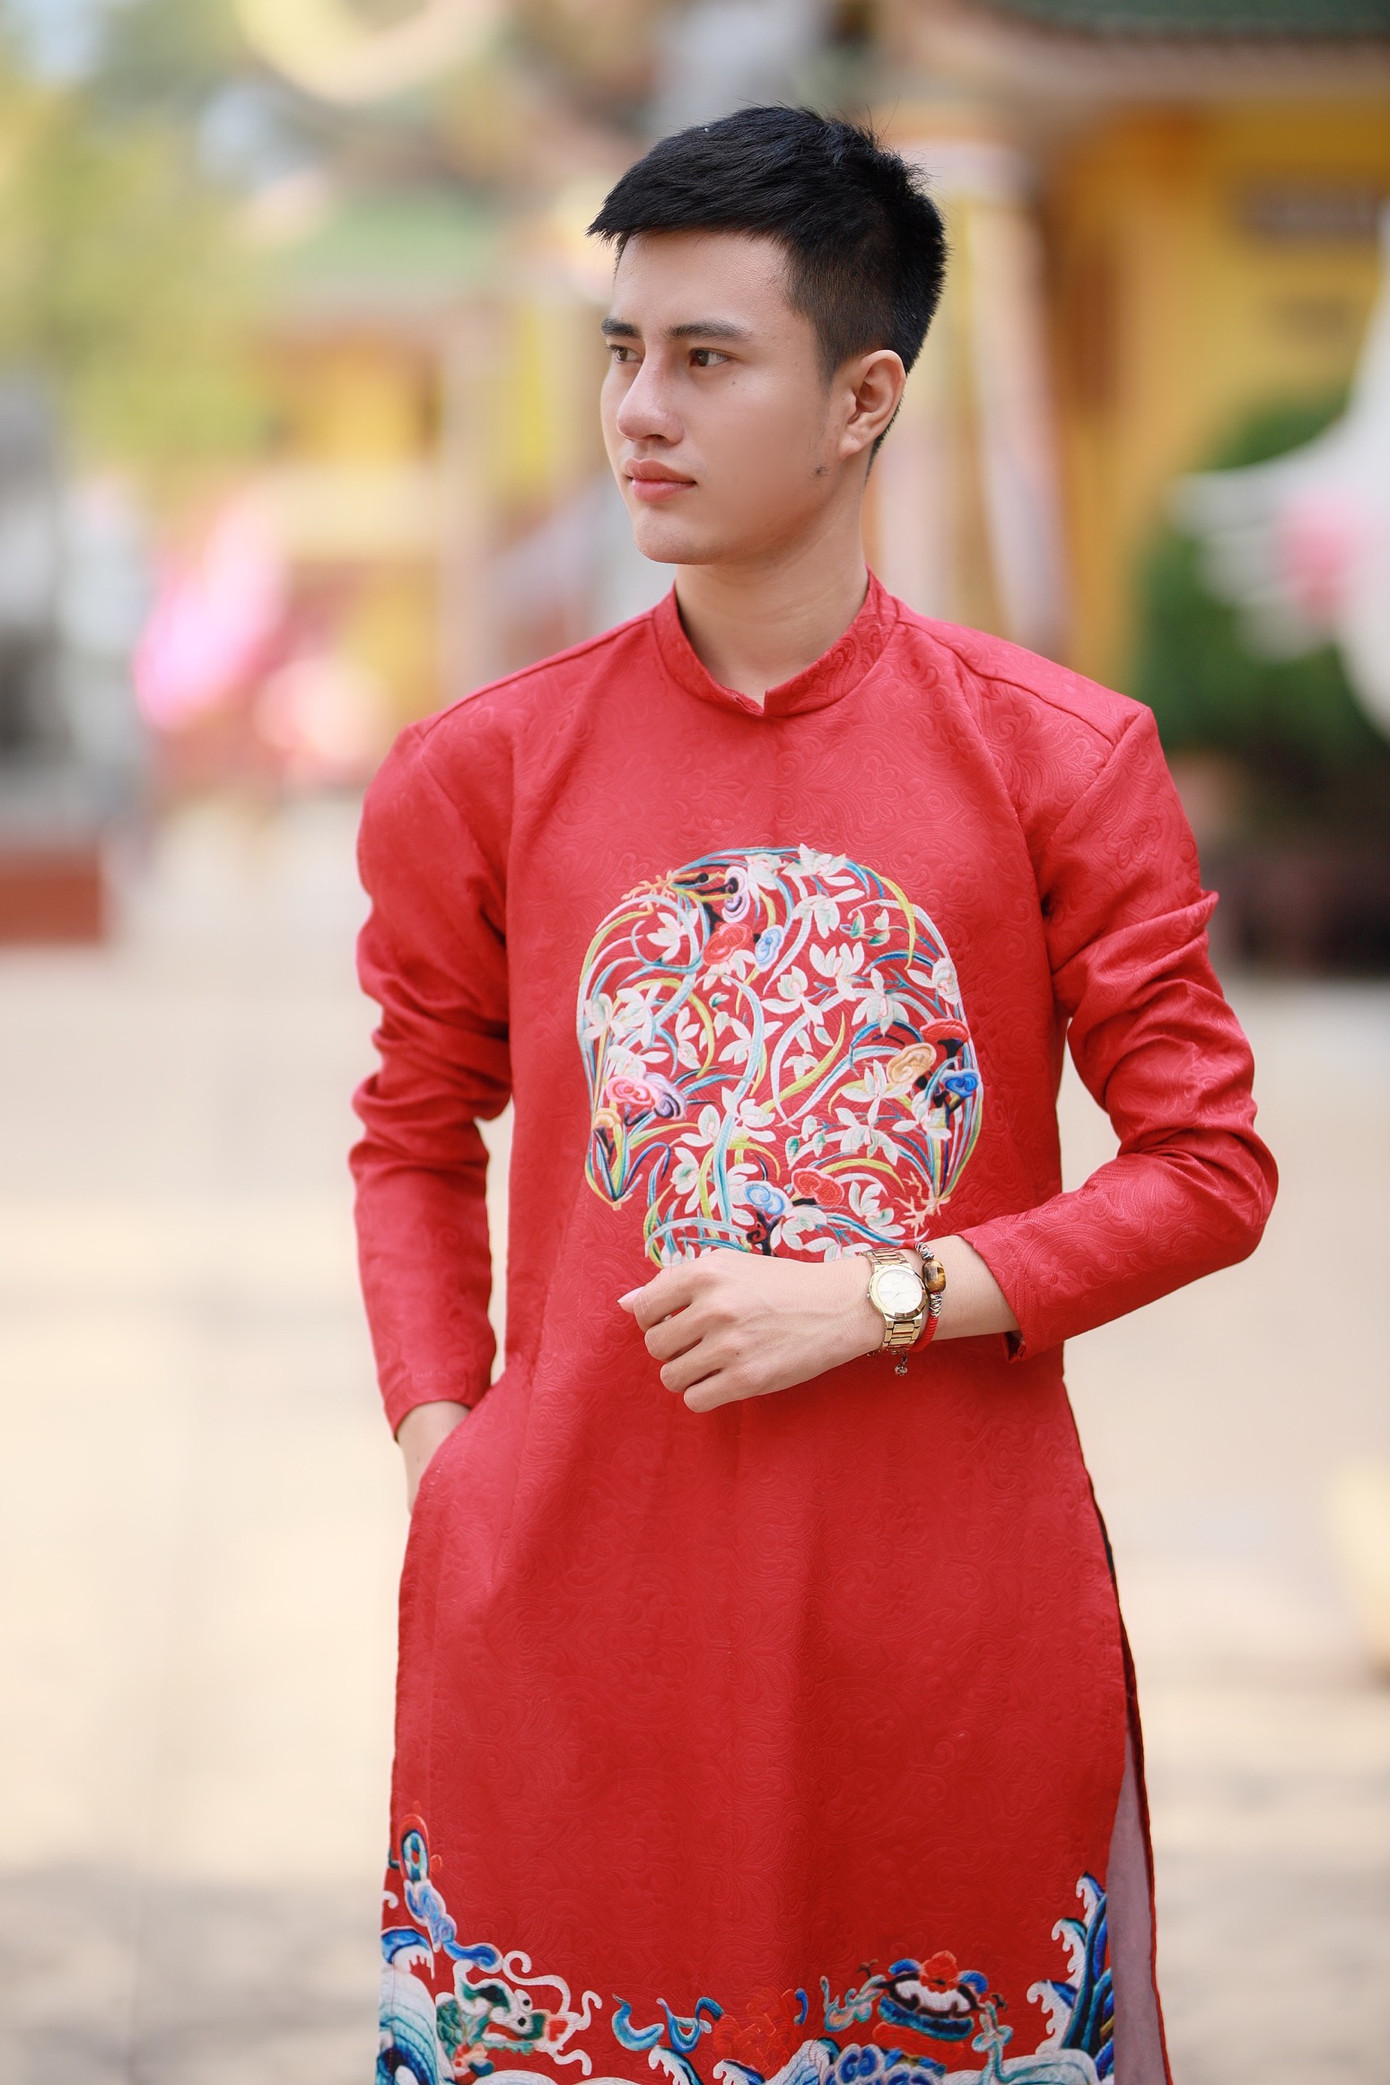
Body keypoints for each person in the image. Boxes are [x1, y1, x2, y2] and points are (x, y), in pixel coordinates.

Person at [353, 108, 1276, 2085]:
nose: (638, 412)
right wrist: (450, 1442)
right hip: (571, 1605)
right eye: (622, 351)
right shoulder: (484, 770)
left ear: (862, 398)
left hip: (942, 1616)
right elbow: (413, 1130)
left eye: (707, 358)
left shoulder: (1056, 760)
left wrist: (879, 1293)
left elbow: (1207, 1166)